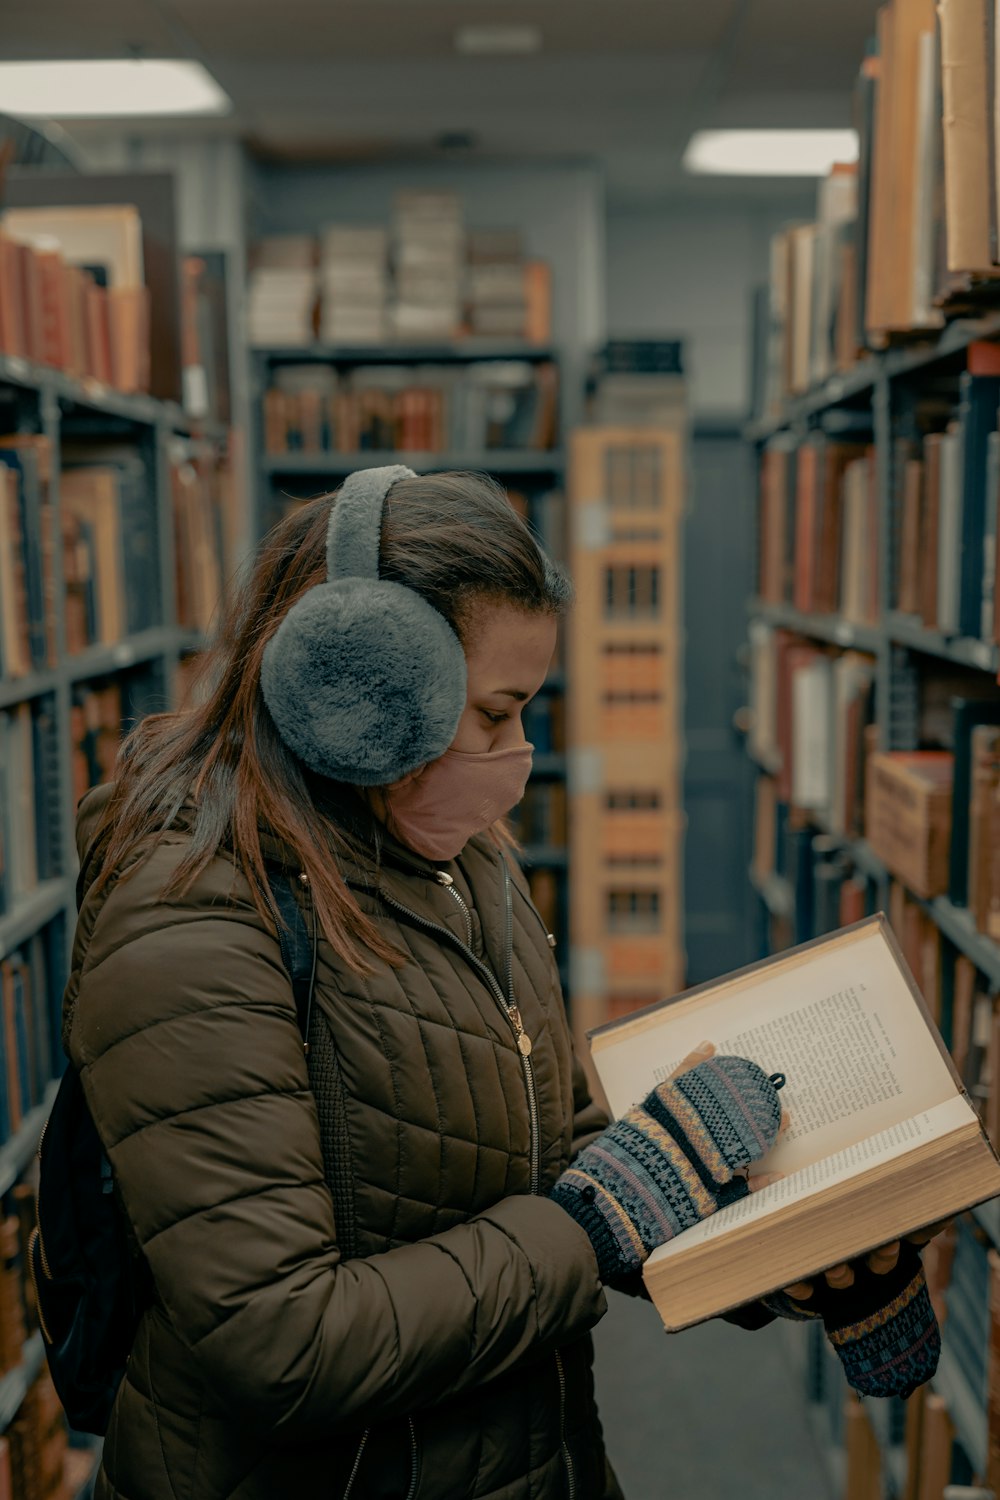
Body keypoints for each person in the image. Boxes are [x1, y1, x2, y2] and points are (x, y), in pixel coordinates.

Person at [67, 466, 942, 1500]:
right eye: (491, 713)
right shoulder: (190, 917)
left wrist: (771, 1230)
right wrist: (595, 1221)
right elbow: (278, 1342)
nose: (514, 755)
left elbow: (539, 1151)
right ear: (350, 687)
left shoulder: (458, 856)